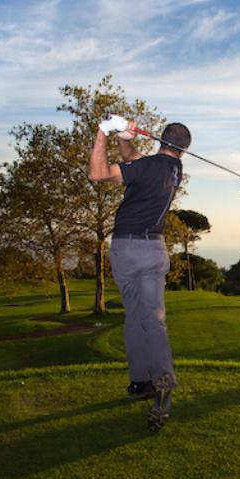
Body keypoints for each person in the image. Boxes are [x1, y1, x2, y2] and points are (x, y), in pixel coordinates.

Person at [88, 116, 188, 431]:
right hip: (155, 250)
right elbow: (134, 161)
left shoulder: (148, 167)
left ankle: (161, 381)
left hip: (128, 251)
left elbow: (98, 173)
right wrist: (124, 138)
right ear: (183, 151)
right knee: (147, 318)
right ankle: (143, 382)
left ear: (160, 139)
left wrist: (104, 133)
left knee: (140, 318)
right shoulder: (174, 170)